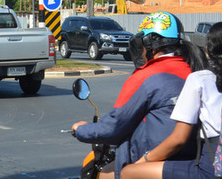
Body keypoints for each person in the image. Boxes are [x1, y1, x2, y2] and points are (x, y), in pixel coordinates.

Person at [120, 21, 222, 179]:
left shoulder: (199, 80)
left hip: (213, 169)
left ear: (208, 50)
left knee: (128, 173)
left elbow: (178, 139)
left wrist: (142, 160)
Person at [72, 11, 206, 179]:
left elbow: (115, 125)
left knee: (100, 174)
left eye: (142, 44)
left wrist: (82, 130)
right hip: (193, 159)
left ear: (151, 45)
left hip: (157, 160)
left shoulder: (147, 76)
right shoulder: (194, 70)